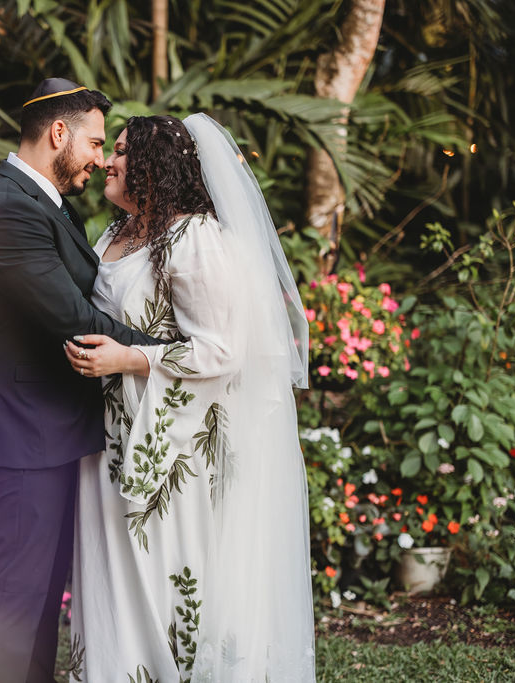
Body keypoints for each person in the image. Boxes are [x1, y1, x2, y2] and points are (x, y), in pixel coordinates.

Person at [65, 114, 317, 681]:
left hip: (171, 450)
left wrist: (129, 358)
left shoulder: (195, 239)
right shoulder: (115, 234)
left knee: (161, 578)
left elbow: (222, 349)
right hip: (105, 439)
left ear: (155, 167)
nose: (110, 160)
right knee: (110, 581)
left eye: (124, 152)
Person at [0, 79, 166, 683]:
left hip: (50, 430)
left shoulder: (42, 200)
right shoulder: (7, 210)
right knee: (15, 599)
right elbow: (75, 320)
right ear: (58, 134)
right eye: (97, 142)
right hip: (24, 430)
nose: (101, 158)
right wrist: (176, 354)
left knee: (42, 600)